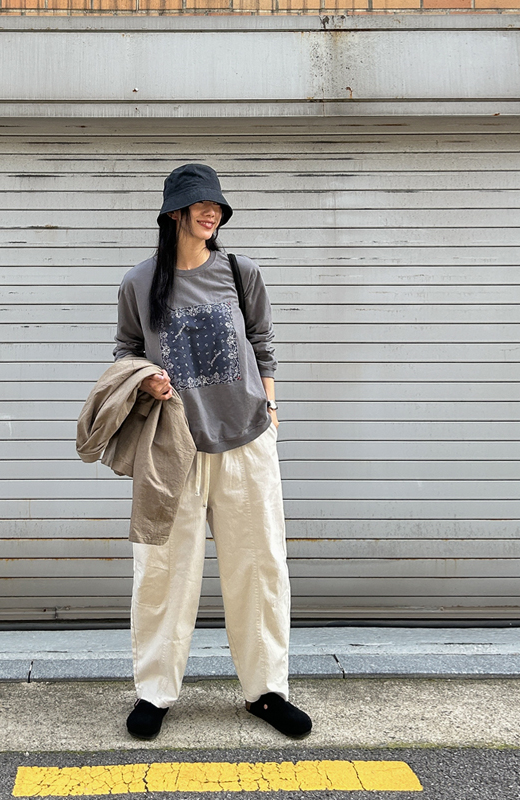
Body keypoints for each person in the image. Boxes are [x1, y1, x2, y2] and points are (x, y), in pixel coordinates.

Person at [113, 163, 312, 741]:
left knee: (259, 566)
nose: (212, 213)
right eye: (201, 204)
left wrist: (270, 406)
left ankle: (266, 691)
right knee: (163, 570)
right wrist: (145, 380)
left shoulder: (240, 273)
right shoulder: (139, 282)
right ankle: (154, 692)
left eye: (217, 206)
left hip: (245, 439)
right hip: (170, 446)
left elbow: (263, 343)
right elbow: (126, 350)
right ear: (174, 213)